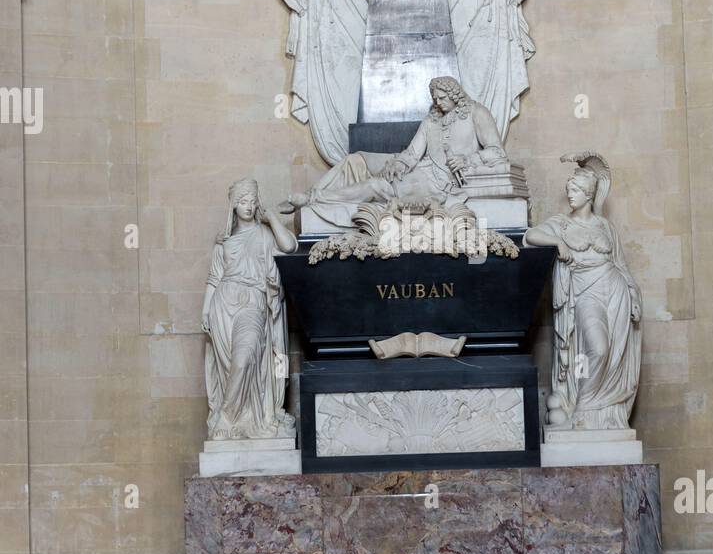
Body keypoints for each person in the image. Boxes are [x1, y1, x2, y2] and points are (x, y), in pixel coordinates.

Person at [285, 76, 508, 227]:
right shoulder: (432, 120)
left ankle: (315, 198)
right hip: (420, 173)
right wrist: (399, 164)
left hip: (441, 184)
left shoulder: (476, 113)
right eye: (435, 99)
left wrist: (469, 159)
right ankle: (315, 198)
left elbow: (497, 152)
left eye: (442, 98)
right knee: (369, 177)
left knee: (375, 185)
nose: (438, 103)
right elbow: (412, 153)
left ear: (454, 94)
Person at [524, 155, 642, 430]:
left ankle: (605, 415)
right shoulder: (561, 224)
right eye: (569, 191)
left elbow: (621, 265)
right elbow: (530, 236)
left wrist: (633, 295)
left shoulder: (605, 227)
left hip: (614, 289)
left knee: (614, 353)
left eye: (575, 192)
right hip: (585, 291)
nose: (570, 196)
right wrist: (556, 242)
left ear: (589, 195)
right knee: (598, 349)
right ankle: (584, 409)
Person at [201, 178, 297, 441]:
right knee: (230, 366)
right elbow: (214, 278)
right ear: (233, 205)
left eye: (253, 202)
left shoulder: (265, 234)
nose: (249, 206)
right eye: (243, 202)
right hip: (223, 305)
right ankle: (238, 421)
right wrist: (205, 311)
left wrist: (272, 220)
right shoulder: (224, 241)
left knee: (243, 359)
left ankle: (227, 416)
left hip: (253, 302)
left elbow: (289, 247)